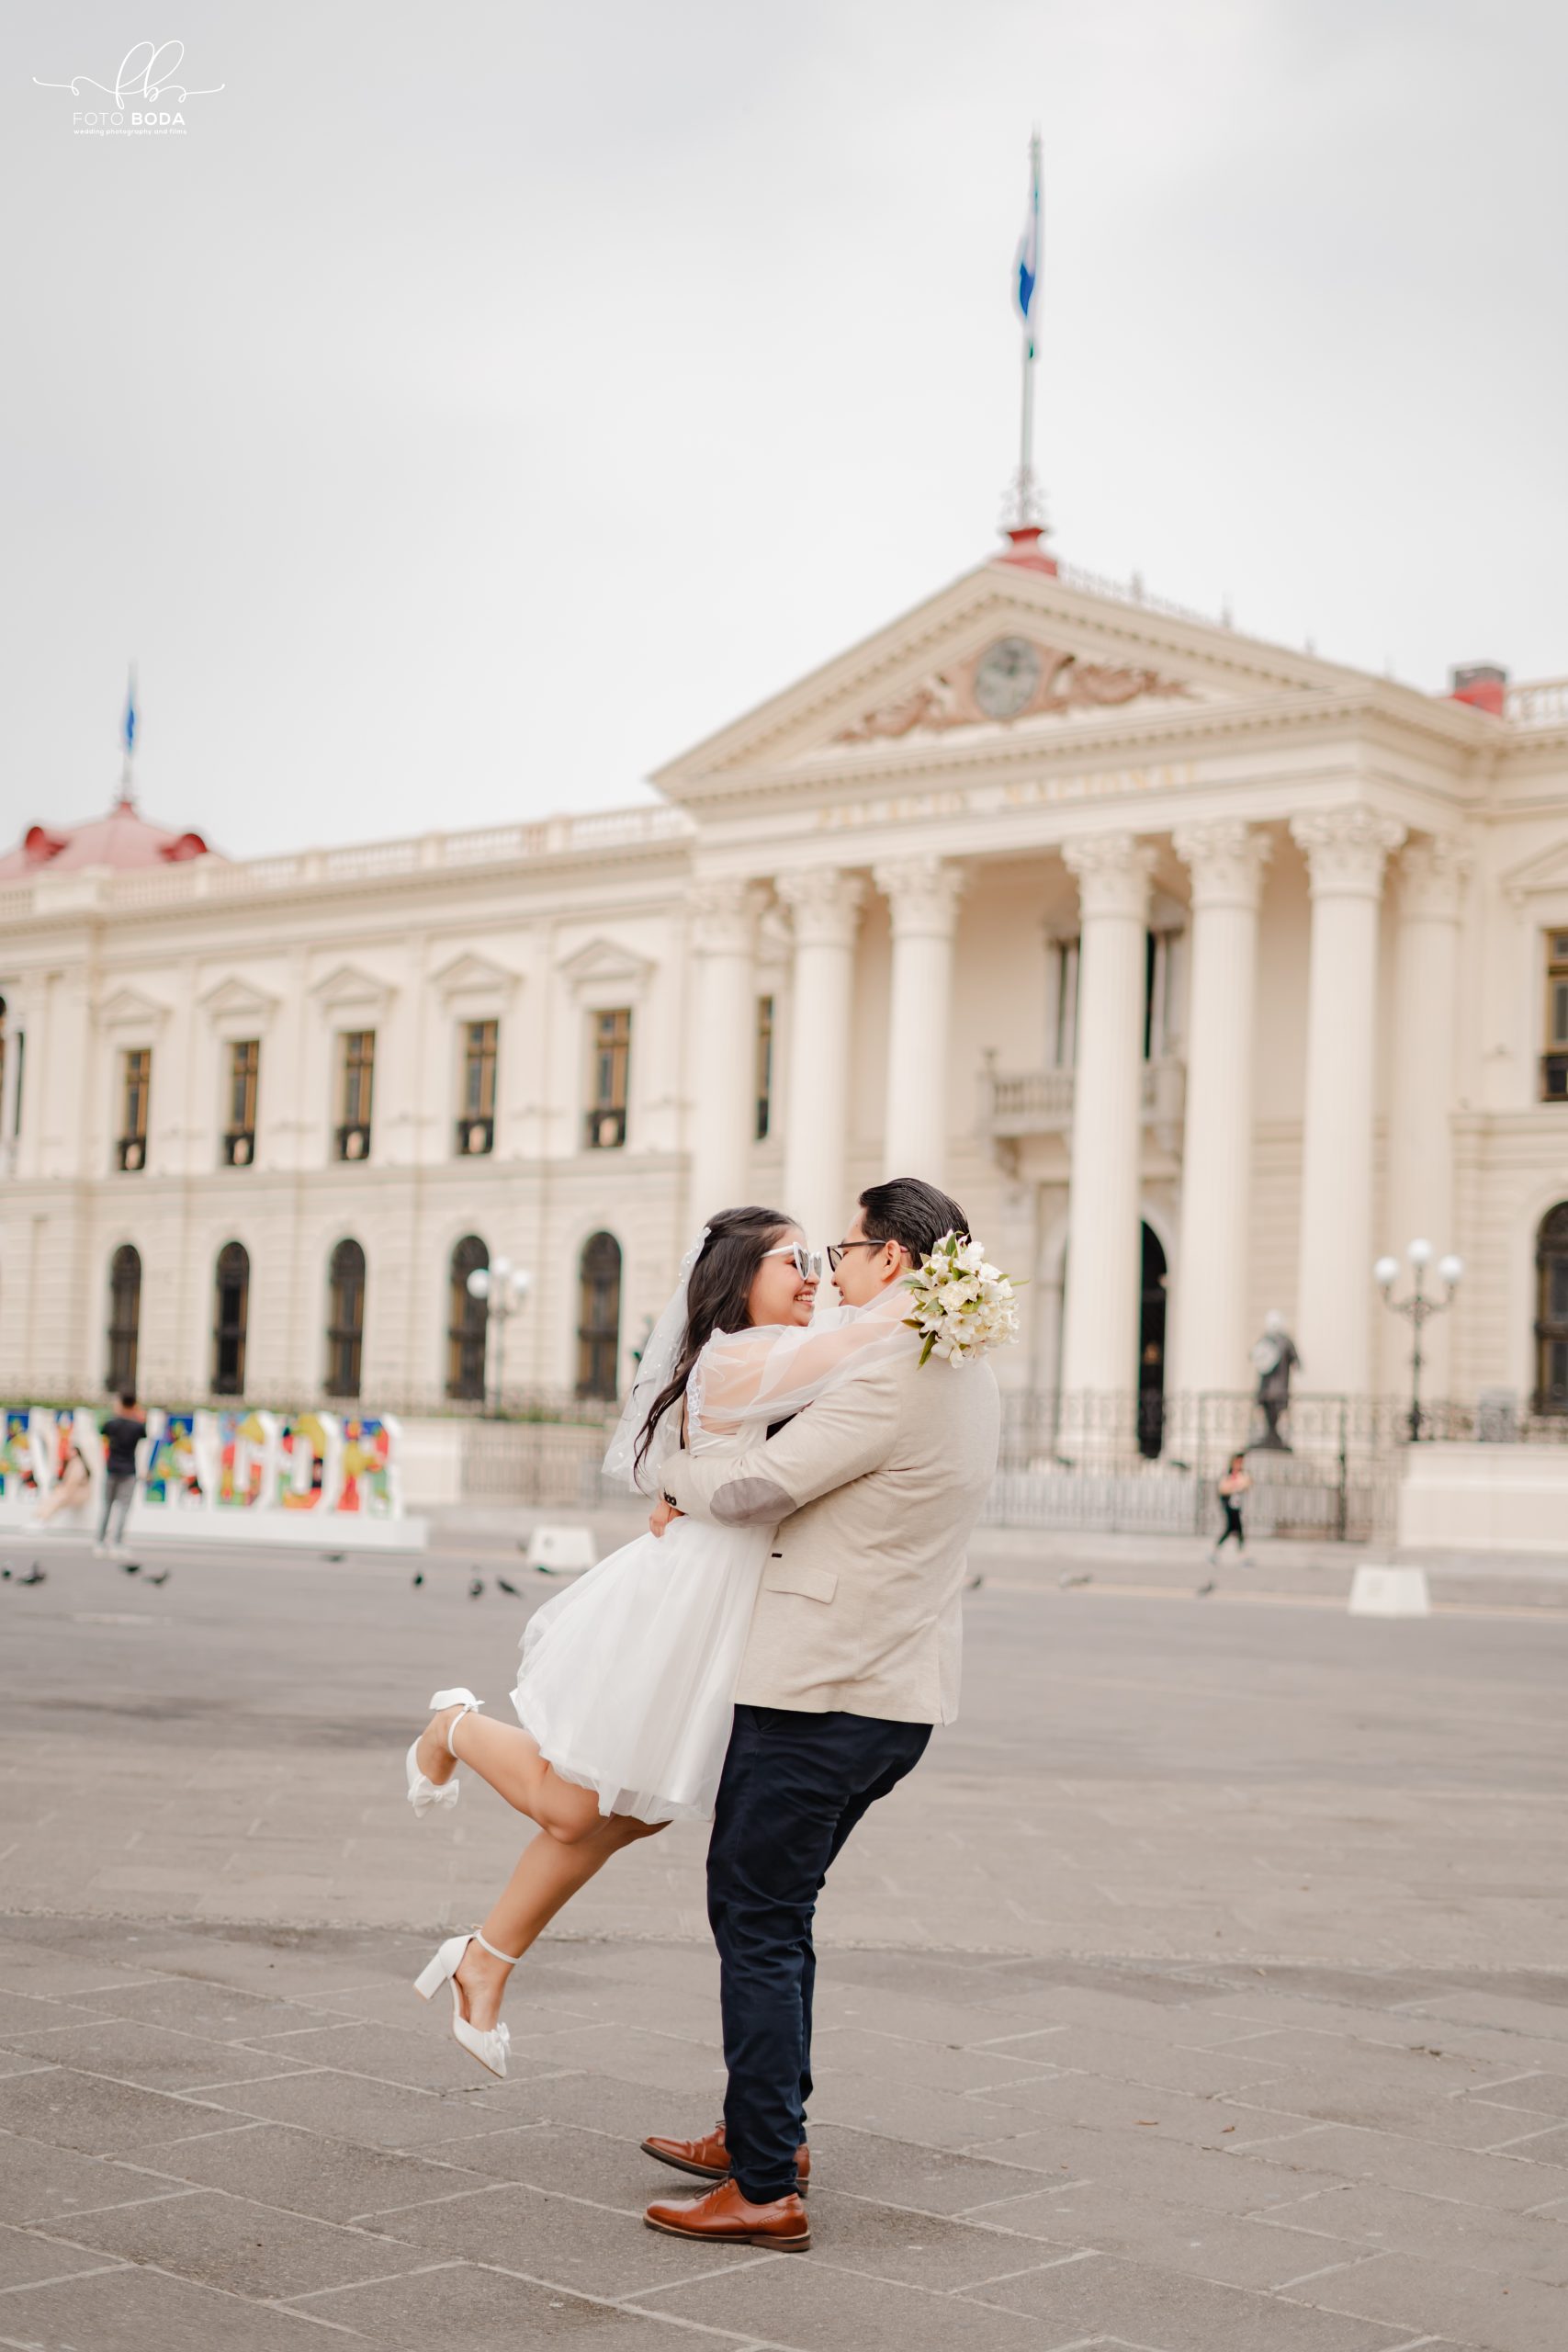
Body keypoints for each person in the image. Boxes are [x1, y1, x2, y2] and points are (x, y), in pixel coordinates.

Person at [402, 1205, 908, 2084]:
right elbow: (863, 1348)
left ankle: (484, 1960)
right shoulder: (740, 1355)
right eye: (795, 1261)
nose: (816, 1277)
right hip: (685, 1602)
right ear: (740, 1275)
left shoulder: (782, 1351)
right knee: (575, 1808)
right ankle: (454, 1726)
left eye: (820, 1260)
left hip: (727, 1608)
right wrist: (939, 1291)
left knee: (627, 1815)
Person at [637, 1176, 1002, 2255]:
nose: (831, 1273)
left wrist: (667, 1465)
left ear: (893, 1260)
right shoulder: (966, 1365)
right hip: (891, 1689)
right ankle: (768, 2136)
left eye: (845, 1250)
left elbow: (761, 1486)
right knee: (779, 1913)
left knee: (753, 1915)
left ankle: (763, 2188)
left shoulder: (900, 1364)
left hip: (821, 1689)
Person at [94, 1393, 145, 1555]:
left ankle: (100, 1542)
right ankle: (117, 1542)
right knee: (124, 1507)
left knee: (107, 1505)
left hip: (112, 1468)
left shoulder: (112, 1424)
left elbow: (101, 1430)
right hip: (129, 1470)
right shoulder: (137, 1426)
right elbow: (145, 1435)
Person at [34, 1438, 91, 1527]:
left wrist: (63, 1491)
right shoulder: (72, 1463)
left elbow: (72, 1484)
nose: (68, 1452)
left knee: (57, 1498)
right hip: (71, 1492)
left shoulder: (77, 1465)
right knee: (53, 1498)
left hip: (76, 1494)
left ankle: (41, 1520)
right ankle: (39, 1518)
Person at [1209, 1451, 1251, 1566]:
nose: (1239, 1464)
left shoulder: (1242, 1474)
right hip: (1228, 1505)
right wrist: (1235, 1486)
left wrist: (1235, 1486)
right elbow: (1222, 1489)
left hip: (1237, 1505)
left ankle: (1217, 1553)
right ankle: (1242, 1556)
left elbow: (1247, 1484)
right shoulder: (1227, 1475)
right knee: (1234, 1529)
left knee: (1234, 1529)